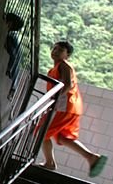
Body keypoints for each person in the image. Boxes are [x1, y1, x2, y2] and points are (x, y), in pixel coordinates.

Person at [39, 41, 108, 177]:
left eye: (61, 50)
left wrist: (56, 99)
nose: (56, 51)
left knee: (41, 131)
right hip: (66, 107)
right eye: (55, 48)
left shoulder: (64, 65)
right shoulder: (54, 68)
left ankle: (50, 163)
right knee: (62, 136)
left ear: (67, 55)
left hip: (65, 107)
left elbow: (68, 84)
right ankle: (91, 157)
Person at [3, 12, 24, 99]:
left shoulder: (10, 38)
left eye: (4, 19)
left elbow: (13, 56)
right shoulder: (13, 38)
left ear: (9, 23)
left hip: (12, 74)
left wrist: (8, 70)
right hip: (13, 78)